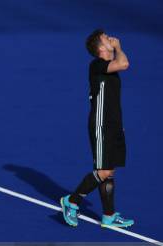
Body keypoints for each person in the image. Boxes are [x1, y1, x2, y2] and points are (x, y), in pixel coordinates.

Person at [61, 29, 134, 228]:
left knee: (109, 172)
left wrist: (120, 126)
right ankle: (72, 201)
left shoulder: (110, 69)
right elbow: (125, 63)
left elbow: (112, 102)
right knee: (103, 170)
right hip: (101, 126)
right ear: (101, 48)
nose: (111, 38)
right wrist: (119, 47)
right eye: (106, 38)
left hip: (113, 126)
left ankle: (109, 215)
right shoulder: (97, 65)